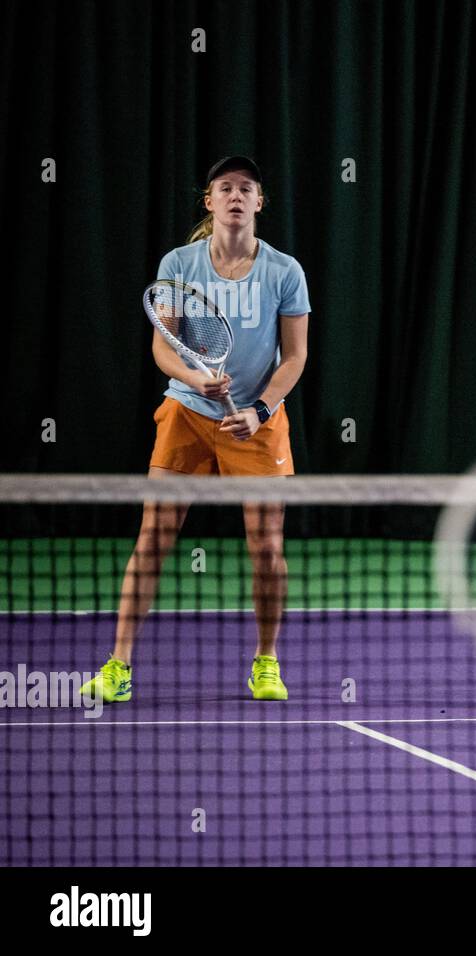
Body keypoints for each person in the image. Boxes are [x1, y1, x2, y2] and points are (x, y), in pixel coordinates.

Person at [80, 156, 311, 703]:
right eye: (225, 187)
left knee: (266, 547)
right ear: (210, 201)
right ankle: (118, 666)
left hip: (256, 422)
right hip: (186, 413)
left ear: (259, 202)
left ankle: (266, 661)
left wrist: (259, 410)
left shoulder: (285, 271)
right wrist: (193, 377)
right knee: (153, 538)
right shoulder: (179, 264)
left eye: (246, 188)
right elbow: (164, 346)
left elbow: (295, 357)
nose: (236, 195)